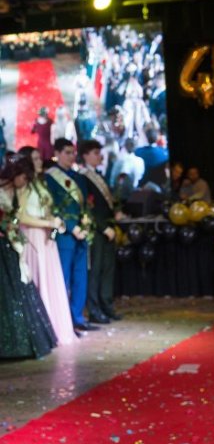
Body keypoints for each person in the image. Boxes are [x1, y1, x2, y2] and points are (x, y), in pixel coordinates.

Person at [15, 147, 75, 346]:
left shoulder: (40, 183)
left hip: (46, 237)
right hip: (32, 236)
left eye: (39, 158)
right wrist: (47, 223)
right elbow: (21, 217)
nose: (40, 161)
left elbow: (46, 210)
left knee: (51, 280)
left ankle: (55, 329)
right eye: (35, 159)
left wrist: (55, 221)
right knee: (38, 279)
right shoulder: (24, 185)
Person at [0, 156, 57, 359]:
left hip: (10, 243)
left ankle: (24, 343)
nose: (24, 182)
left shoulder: (14, 191)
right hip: (4, 243)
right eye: (23, 177)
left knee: (20, 289)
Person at [44, 138, 97, 334]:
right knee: (63, 277)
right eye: (67, 152)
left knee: (80, 277)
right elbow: (51, 207)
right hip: (64, 233)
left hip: (81, 232)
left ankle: (77, 317)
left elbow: (85, 205)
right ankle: (63, 321)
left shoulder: (79, 177)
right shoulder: (49, 178)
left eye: (73, 152)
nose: (71, 156)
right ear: (57, 153)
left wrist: (85, 223)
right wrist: (72, 226)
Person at [76, 138, 122, 323]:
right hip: (96, 230)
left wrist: (116, 212)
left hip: (108, 227)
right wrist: (103, 227)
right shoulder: (83, 177)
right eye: (95, 153)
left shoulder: (99, 175)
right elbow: (88, 207)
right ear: (85, 155)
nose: (99, 156)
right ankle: (94, 310)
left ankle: (107, 305)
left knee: (107, 269)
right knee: (95, 270)